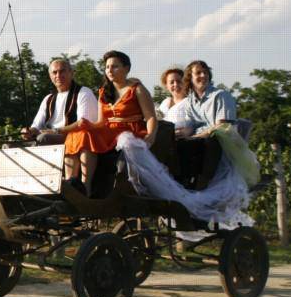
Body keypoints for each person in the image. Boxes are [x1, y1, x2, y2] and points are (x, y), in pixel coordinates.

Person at [63, 50, 158, 195]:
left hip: (129, 130)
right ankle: (72, 185)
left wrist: (150, 137)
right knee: (77, 134)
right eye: (107, 67)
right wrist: (87, 125)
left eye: (115, 66)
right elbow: (101, 122)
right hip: (108, 130)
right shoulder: (104, 91)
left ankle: (86, 186)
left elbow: (151, 117)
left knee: (84, 134)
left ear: (126, 69)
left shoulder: (137, 89)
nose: (110, 70)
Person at [20, 58, 97, 145]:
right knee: (8, 145)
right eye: (54, 72)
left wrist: (55, 131)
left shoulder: (84, 92)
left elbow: (83, 124)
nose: (58, 75)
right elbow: (36, 126)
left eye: (62, 71)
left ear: (71, 73)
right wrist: (28, 131)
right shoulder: (48, 98)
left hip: (72, 137)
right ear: (50, 76)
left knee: (43, 138)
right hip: (45, 136)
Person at [181, 60, 237, 136]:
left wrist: (196, 137)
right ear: (190, 78)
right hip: (197, 143)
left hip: (218, 143)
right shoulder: (189, 102)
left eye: (205, 72)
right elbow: (190, 127)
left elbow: (223, 127)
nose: (203, 75)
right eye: (198, 73)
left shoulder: (221, 95)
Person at [157, 68, 191, 135]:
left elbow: (191, 126)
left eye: (179, 81)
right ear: (166, 86)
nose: (175, 84)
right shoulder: (165, 102)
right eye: (171, 82)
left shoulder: (190, 102)